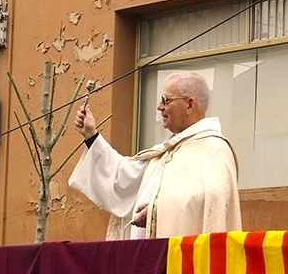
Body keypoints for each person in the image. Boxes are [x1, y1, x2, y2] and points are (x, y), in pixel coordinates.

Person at [69, 71, 241, 239]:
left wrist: (156, 212)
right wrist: (91, 136)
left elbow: (213, 200)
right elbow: (123, 179)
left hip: (180, 260)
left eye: (166, 100)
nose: (159, 107)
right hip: (149, 256)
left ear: (189, 104)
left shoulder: (214, 149)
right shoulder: (167, 151)